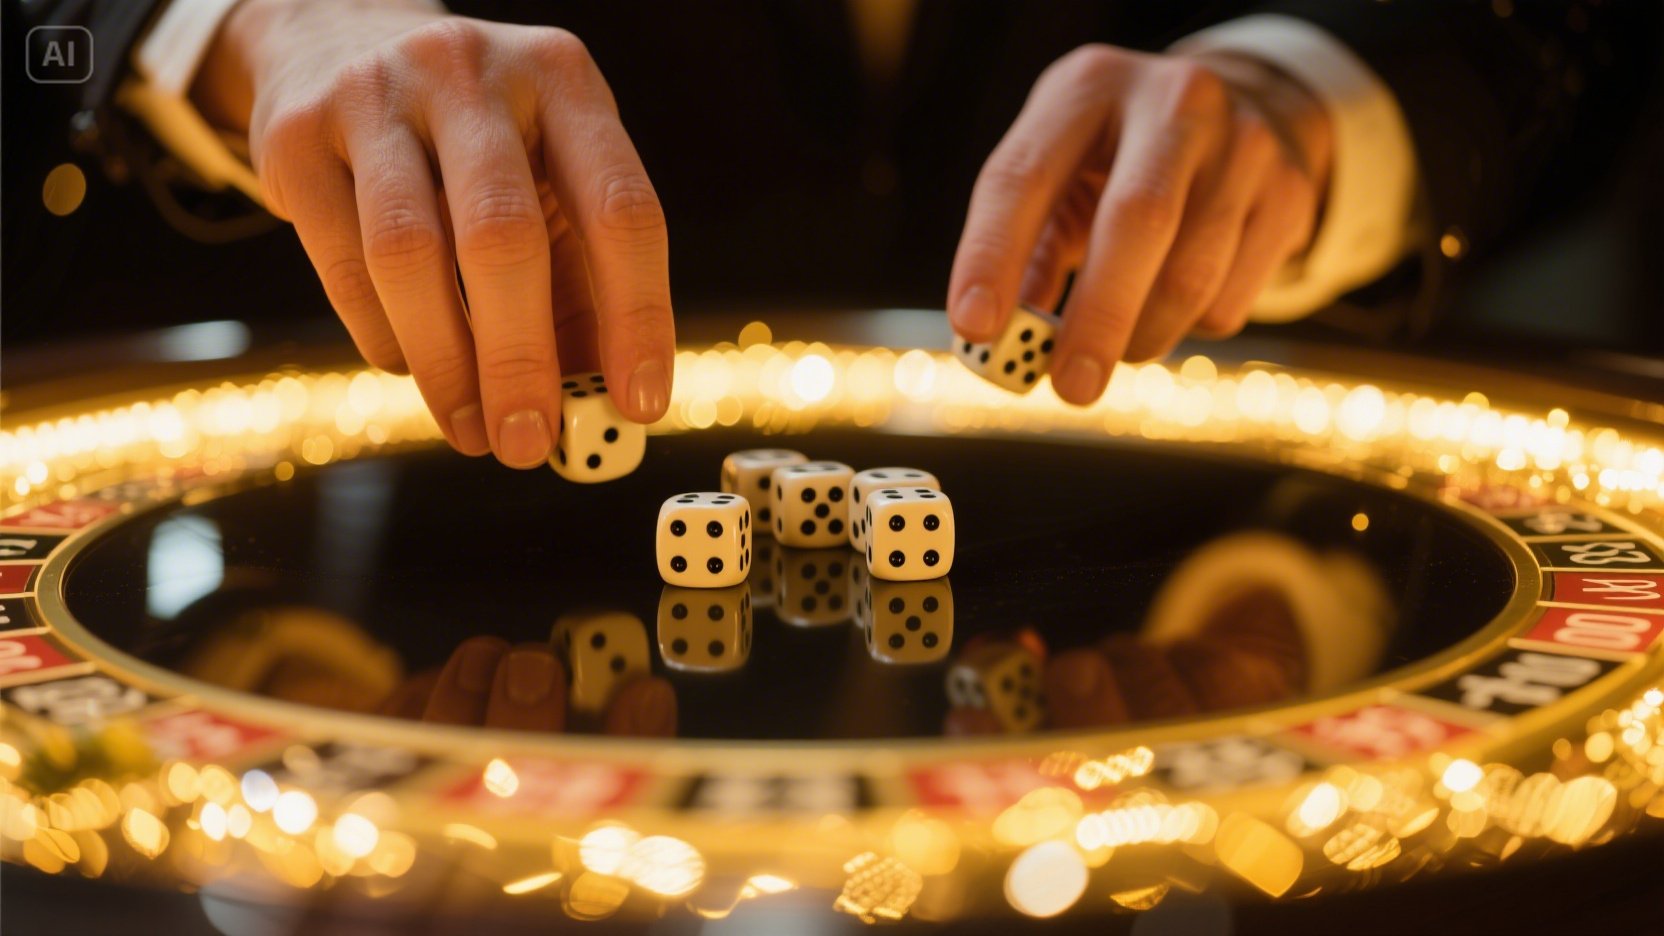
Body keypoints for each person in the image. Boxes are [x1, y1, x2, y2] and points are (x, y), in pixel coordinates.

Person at [7, 1, 1656, 469]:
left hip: (1182, 649)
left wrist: (1327, 93)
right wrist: (227, 23)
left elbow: (1588, 38)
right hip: (435, 610)